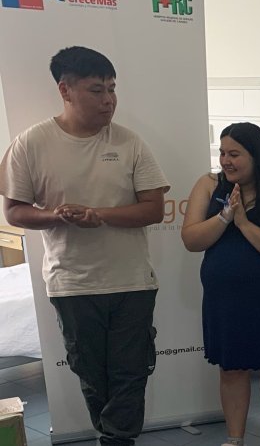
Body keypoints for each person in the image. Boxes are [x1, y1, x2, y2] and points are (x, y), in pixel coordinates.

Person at [0, 46, 170, 445]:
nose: (109, 100)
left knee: (131, 373)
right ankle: (112, 436)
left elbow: (154, 209)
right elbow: (15, 211)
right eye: (97, 90)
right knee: (91, 374)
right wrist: (56, 216)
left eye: (112, 89)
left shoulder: (130, 143)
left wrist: (99, 214)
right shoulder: (31, 143)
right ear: (65, 90)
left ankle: (116, 440)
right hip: (72, 284)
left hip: (132, 282)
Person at [181, 122, 260, 446]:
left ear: (256, 156)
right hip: (224, 299)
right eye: (222, 153)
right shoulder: (208, 185)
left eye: (234, 154)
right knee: (231, 369)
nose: (226, 160)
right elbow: (192, 240)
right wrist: (224, 217)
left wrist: (244, 224)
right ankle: (234, 439)